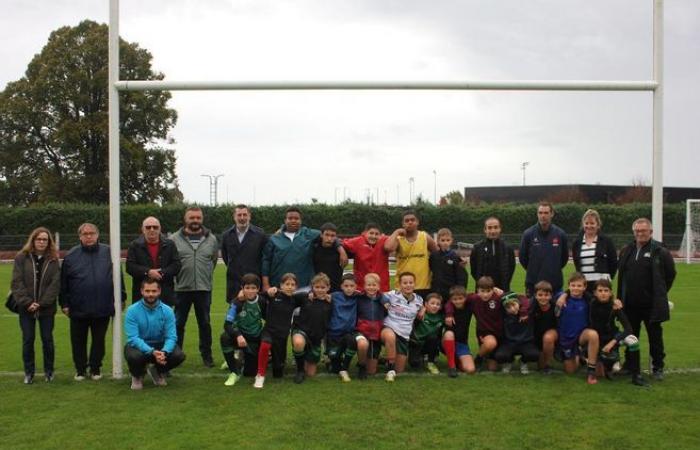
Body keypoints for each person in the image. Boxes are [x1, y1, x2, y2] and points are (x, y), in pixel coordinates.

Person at [60, 223, 125, 381]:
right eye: (85, 234)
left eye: (92, 233)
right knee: (78, 341)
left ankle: (95, 368)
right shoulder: (71, 255)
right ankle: (80, 369)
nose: (89, 236)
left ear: (97, 234)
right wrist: (64, 304)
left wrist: (121, 297)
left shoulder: (109, 252)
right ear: (80, 236)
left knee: (98, 341)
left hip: (102, 306)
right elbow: (63, 283)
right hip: (78, 307)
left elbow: (118, 277)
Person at [616, 217, 676, 381]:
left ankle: (658, 367)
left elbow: (670, 275)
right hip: (630, 304)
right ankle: (630, 365)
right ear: (633, 232)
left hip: (651, 305)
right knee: (631, 336)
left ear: (650, 232)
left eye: (643, 230)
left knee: (655, 337)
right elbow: (622, 276)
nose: (640, 233)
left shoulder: (660, 251)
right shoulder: (627, 249)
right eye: (637, 231)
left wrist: (660, 294)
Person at [11, 227, 61, 384]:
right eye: (38, 239)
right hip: (26, 308)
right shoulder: (21, 257)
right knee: (28, 340)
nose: (41, 242)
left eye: (45, 239)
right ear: (33, 240)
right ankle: (29, 372)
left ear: (49, 242)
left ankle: (49, 371)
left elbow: (55, 284)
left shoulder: (53, 259)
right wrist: (27, 302)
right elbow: (16, 282)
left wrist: (41, 303)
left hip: (46, 308)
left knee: (47, 340)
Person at [171, 207, 219, 367]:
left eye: (198, 217)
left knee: (205, 323)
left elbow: (212, 262)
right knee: (178, 324)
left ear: (202, 219)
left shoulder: (211, 239)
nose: (195, 220)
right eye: (192, 217)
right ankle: (175, 356)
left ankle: (207, 356)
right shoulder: (174, 239)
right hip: (181, 289)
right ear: (185, 219)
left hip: (203, 289)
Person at [261, 206, 347, 291]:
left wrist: (341, 249)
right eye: (290, 218)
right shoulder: (274, 238)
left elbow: (329, 235)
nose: (293, 220)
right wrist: (266, 284)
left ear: (301, 221)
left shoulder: (309, 234)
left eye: (296, 218)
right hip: (279, 286)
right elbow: (266, 261)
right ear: (285, 220)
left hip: (305, 287)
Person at [124, 279, 186, 390]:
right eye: (147, 291)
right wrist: (151, 351)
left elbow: (171, 337)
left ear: (159, 291)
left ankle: (157, 371)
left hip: (160, 346)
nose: (150, 294)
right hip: (139, 346)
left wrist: (164, 351)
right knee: (134, 356)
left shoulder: (167, 311)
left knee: (179, 355)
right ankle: (137, 375)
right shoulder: (132, 311)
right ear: (142, 291)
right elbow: (133, 338)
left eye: (153, 291)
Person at [588, 279, 647, 386]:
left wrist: (613, 342)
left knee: (633, 341)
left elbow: (628, 329)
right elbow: (575, 290)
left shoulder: (615, 306)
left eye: (606, 291)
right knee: (602, 372)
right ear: (595, 293)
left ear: (611, 293)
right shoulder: (590, 303)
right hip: (596, 341)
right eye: (600, 291)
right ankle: (605, 364)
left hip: (612, 338)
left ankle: (637, 376)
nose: (603, 293)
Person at [254, 273, 307, 389]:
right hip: (269, 331)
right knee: (265, 345)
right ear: (281, 285)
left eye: (293, 285)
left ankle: (277, 363)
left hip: (282, 336)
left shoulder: (295, 299)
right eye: (287, 284)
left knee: (278, 373)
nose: (290, 287)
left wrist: (314, 295)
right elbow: (257, 296)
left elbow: (308, 295)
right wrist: (267, 292)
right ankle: (260, 375)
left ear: (296, 287)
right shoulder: (274, 295)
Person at [220, 273, 266, 386]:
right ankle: (234, 372)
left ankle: (238, 357)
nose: (250, 291)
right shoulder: (236, 302)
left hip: (254, 338)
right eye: (247, 288)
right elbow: (227, 324)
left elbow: (268, 319)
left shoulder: (262, 301)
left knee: (249, 373)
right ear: (242, 288)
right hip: (240, 337)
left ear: (258, 289)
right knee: (224, 337)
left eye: (253, 288)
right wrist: (238, 335)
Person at [555, 272, 600, 385]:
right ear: (569, 285)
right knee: (570, 371)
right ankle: (580, 357)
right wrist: (563, 296)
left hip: (581, 336)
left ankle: (591, 371)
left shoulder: (589, 300)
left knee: (593, 335)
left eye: (579, 286)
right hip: (566, 339)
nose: (576, 288)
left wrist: (616, 302)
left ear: (584, 287)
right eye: (573, 285)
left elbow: (605, 300)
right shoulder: (560, 298)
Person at [380, 272, 425, 382]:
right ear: (400, 284)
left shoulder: (419, 299)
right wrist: (385, 302)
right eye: (405, 283)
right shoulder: (393, 294)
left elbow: (423, 306)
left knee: (400, 370)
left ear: (415, 284)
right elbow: (379, 295)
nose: (408, 285)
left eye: (410, 282)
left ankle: (387, 360)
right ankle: (390, 370)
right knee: (390, 337)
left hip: (404, 335)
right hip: (388, 328)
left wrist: (423, 310)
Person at [126, 216, 181, 305]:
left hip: (165, 295)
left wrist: (162, 273)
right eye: (148, 227)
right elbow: (130, 267)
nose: (152, 229)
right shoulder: (135, 246)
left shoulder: (170, 245)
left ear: (160, 229)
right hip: (141, 296)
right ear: (143, 229)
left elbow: (177, 265)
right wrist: (148, 272)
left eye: (155, 227)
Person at [519, 201, 569, 295]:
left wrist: (552, 269)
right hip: (533, 286)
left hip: (555, 286)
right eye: (540, 213)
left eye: (546, 213)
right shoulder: (528, 234)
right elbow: (523, 259)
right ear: (537, 214)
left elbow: (564, 259)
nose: (543, 216)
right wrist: (534, 269)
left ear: (552, 214)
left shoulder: (560, 234)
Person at [385, 210, 438, 298]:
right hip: (403, 286)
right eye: (407, 220)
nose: (410, 222)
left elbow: (438, 253)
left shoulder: (425, 237)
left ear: (417, 222)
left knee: (422, 312)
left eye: (412, 220)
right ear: (403, 224)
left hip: (423, 286)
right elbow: (388, 248)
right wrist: (396, 232)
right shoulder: (398, 239)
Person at [220, 204, 268, 303]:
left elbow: (265, 257)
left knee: (254, 315)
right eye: (239, 215)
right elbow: (225, 257)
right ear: (234, 217)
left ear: (249, 216)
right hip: (234, 284)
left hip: (254, 284)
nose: (242, 218)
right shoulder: (226, 235)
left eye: (245, 215)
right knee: (235, 316)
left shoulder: (260, 235)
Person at [291, 273, 333, 384]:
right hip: (301, 331)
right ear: (312, 287)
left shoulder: (331, 301)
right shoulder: (305, 297)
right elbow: (288, 295)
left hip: (316, 338)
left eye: (323, 287)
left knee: (311, 373)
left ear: (328, 288)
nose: (320, 290)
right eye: (317, 287)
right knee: (299, 343)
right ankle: (299, 371)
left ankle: (304, 357)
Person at [571, 209, 618, 293]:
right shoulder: (577, 242)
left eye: (592, 223)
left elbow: (613, 263)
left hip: (602, 286)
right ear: (583, 224)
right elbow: (576, 263)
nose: (589, 226)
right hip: (583, 285)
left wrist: (606, 279)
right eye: (586, 223)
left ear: (598, 225)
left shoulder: (606, 241)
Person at [326, 273, 361, 382]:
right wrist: (311, 294)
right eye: (346, 286)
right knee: (334, 367)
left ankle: (345, 367)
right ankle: (334, 360)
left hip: (347, 334)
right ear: (341, 286)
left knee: (353, 342)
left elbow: (375, 295)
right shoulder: (334, 296)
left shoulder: (358, 297)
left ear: (356, 287)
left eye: (352, 286)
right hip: (333, 335)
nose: (349, 288)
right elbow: (320, 294)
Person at [494, 292, 540, 375]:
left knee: (534, 355)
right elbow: (496, 302)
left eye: (514, 305)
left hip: (526, 342)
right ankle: (509, 361)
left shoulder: (528, 311)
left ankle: (523, 361)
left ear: (519, 302)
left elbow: (531, 298)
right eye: (508, 307)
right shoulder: (504, 315)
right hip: (509, 343)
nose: (512, 309)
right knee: (500, 356)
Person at [342, 223, 391, 293]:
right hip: (362, 288)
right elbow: (342, 243)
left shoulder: (384, 241)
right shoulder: (357, 241)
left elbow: (394, 243)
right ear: (365, 233)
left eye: (377, 234)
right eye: (371, 233)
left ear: (380, 235)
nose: (373, 236)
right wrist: (341, 251)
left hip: (381, 288)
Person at [470, 216, 516, 291]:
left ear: (500, 229)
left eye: (495, 227)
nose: (493, 231)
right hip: (483, 291)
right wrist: (483, 283)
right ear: (485, 230)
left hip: (503, 289)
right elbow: (474, 270)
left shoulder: (508, 248)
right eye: (490, 228)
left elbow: (511, 269)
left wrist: (505, 283)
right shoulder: (477, 248)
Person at [355, 273, 387, 378]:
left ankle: (376, 359)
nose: (371, 287)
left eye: (374, 285)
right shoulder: (359, 297)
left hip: (376, 332)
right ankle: (361, 365)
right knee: (363, 345)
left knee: (372, 371)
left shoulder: (382, 298)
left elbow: (388, 302)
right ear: (364, 286)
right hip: (362, 330)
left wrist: (385, 302)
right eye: (368, 285)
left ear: (378, 286)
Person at [442, 286, 476, 378]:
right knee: (449, 333)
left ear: (465, 298)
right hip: (446, 341)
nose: (458, 301)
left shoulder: (469, 306)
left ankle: (457, 360)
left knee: (470, 369)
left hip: (461, 343)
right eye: (455, 299)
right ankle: (451, 367)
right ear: (451, 299)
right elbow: (447, 303)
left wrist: (495, 291)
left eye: (461, 298)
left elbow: (476, 296)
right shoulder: (448, 307)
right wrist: (449, 314)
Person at [408, 293, 444, 375]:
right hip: (416, 344)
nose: (435, 306)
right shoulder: (420, 315)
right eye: (432, 303)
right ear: (426, 304)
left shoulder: (441, 318)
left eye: (438, 304)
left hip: (429, 344)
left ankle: (430, 362)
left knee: (433, 338)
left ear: (441, 307)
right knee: (414, 364)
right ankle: (419, 356)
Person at [529, 281, 558, 374]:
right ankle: (543, 357)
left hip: (552, 334)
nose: (543, 298)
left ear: (551, 295)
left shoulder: (555, 307)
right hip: (537, 337)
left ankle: (549, 362)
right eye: (540, 295)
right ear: (535, 295)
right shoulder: (531, 306)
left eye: (546, 295)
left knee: (548, 338)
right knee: (540, 366)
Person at [429, 228, 467, 299]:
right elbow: (431, 269)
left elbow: (461, 276)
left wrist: (460, 290)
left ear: (451, 240)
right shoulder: (433, 256)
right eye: (442, 240)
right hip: (436, 290)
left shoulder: (455, 257)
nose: (445, 242)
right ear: (438, 241)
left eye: (448, 240)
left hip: (450, 291)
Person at [313, 223, 344, 292]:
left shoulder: (341, 250)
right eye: (327, 235)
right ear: (321, 235)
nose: (329, 238)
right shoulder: (314, 248)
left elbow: (349, 266)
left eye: (332, 236)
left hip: (336, 290)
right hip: (318, 289)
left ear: (336, 237)